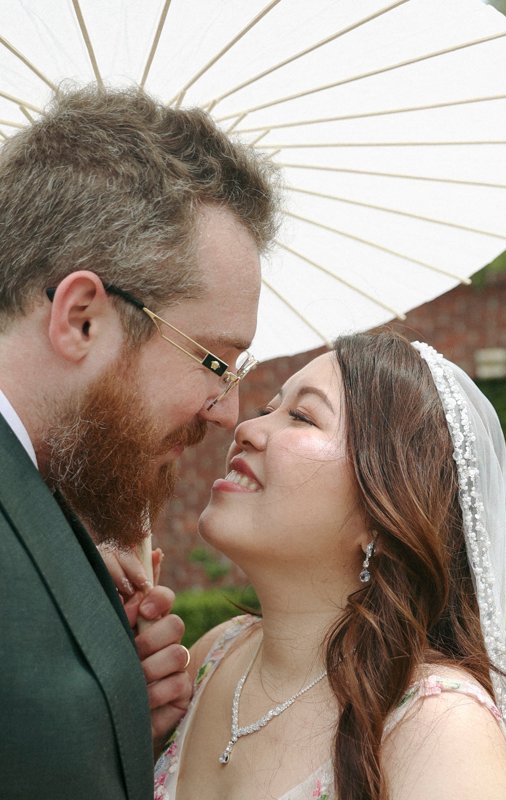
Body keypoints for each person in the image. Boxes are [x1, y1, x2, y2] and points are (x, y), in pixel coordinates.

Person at [0, 86, 278, 799]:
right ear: (83, 318)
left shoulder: (50, 511)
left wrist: (115, 711)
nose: (229, 413)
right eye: (215, 361)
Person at [154, 331, 506, 800]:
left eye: (302, 417)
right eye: (269, 409)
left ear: (384, 511)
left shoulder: (439, 729)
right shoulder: (210, 657)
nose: (246, 428)